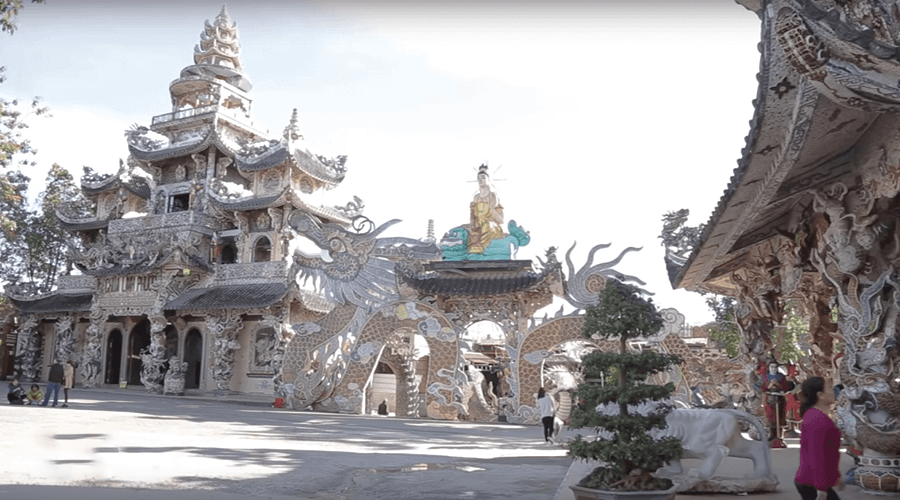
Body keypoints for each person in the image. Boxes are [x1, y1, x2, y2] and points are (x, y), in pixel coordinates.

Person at [795, 376, 843, 500]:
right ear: (820, 395)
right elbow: (816, 454)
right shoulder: (817, 419)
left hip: (813, 480)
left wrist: (835, 476)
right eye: (829, 388)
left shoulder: (816, 415)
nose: (833, 391)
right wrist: (821, 487)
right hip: (812, 482)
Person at [467, 165, 506, 254]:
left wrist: (491, 207)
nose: (481, 180)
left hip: (491, 226)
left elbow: (501, 220)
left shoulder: (493, 196)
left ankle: (483, 249)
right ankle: (472, 249)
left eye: (483, 177)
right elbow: (473, 216)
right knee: (464, 231)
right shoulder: (476, 198)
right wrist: (472, 224)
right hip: (477, 225)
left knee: (486, 226)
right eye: (479, 178)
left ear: (489, 180)